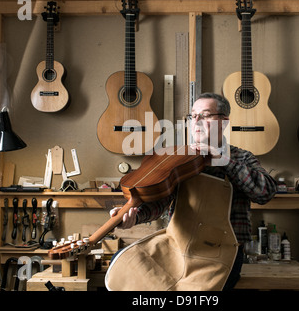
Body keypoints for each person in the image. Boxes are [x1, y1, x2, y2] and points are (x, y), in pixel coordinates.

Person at [110, 92, 277, 290]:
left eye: (205, 115)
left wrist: (223, 161)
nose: (196, 121)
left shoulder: (241, 158)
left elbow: (265, 192)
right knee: (123, 263)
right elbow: (159, 202)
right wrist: (134, 217)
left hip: (221, 253)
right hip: (176, 246)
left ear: (223, 122)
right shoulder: (178, 158)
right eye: (192, 115)